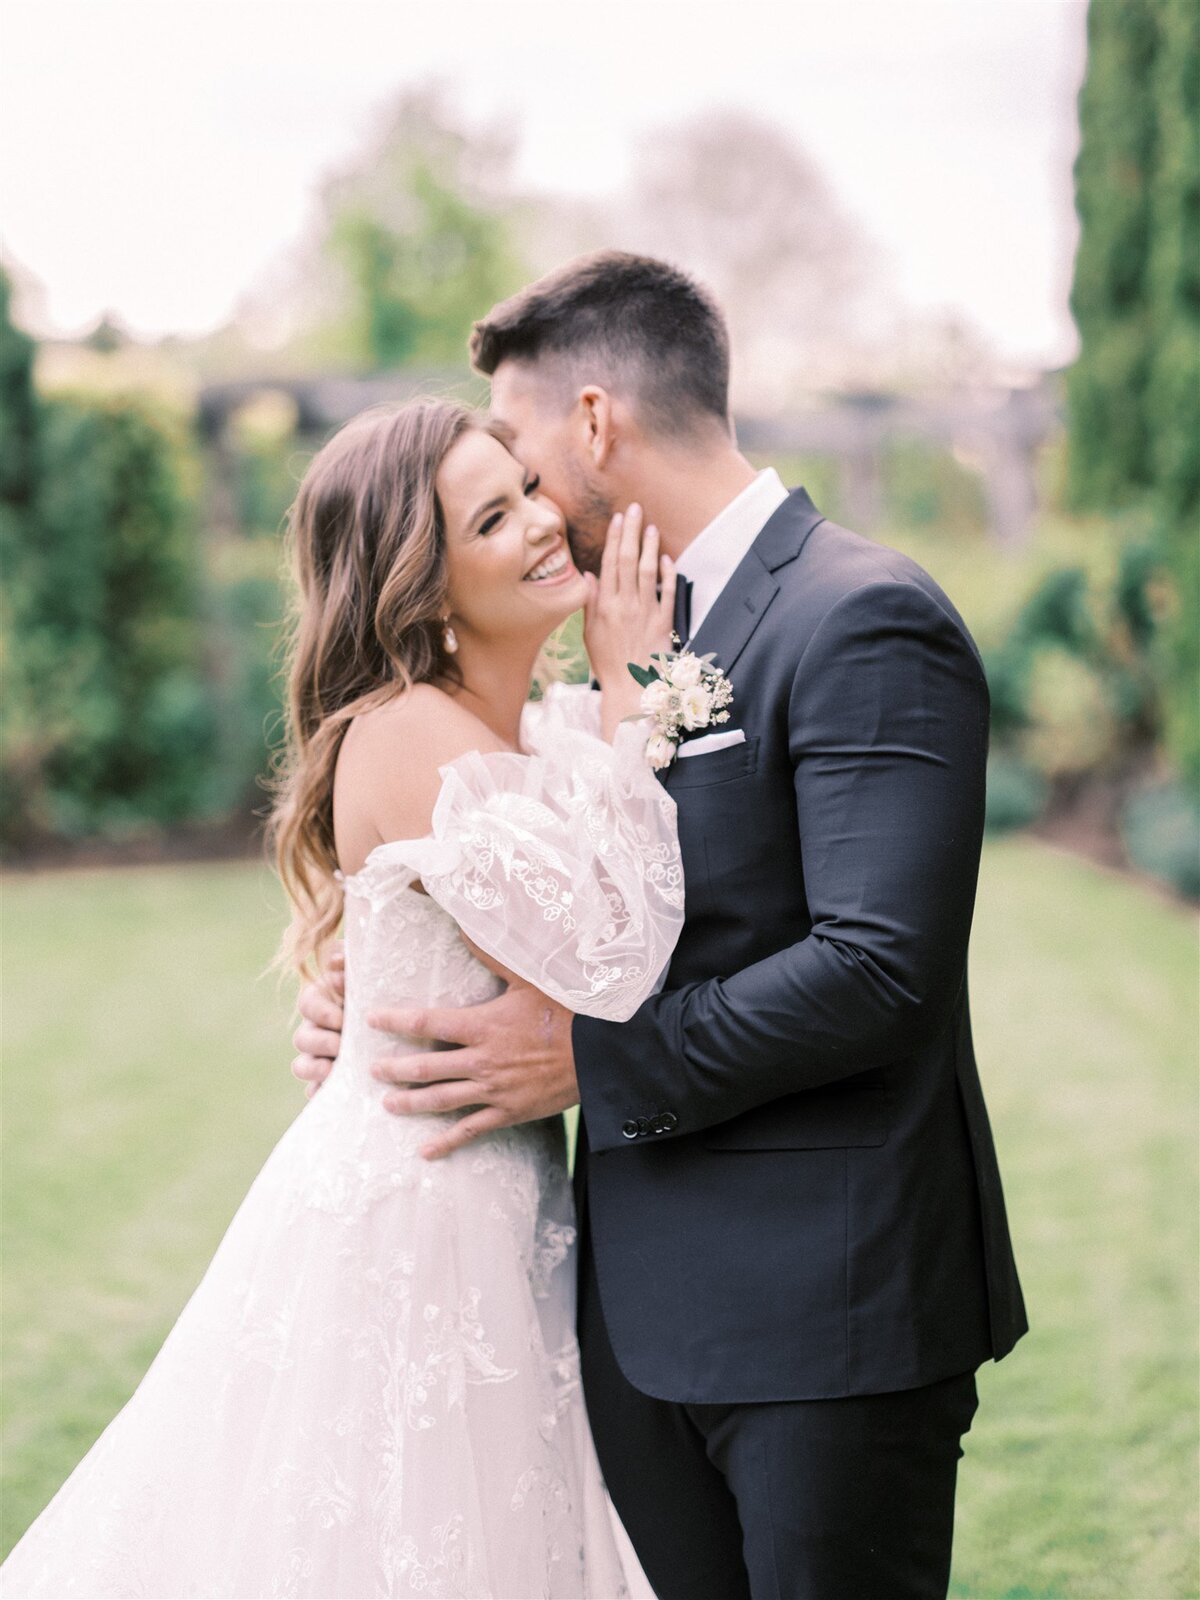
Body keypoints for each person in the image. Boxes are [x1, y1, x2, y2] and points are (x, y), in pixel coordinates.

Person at [295, 252, 1028, 1600]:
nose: (520, 500)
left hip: (829, 1321)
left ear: (592, 425)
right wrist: (389, 989)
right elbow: (532, 876)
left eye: (518, 455)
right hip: (625, 1322)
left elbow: (880, 970)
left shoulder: (860, 616)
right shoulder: (612, 655)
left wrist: (586, 1063)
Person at [0, 399, 685, 1598]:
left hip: (498, 1201)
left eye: (526, 487)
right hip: (416, 1224)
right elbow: (606, 961)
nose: (541, 521)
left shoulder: (527, 727)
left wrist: (607, 717)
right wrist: (634, 692)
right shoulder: (408, 733)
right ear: (422, 588)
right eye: (493, 514)